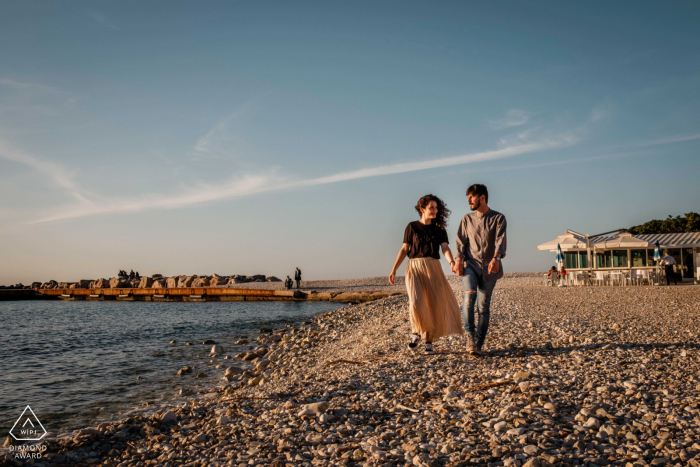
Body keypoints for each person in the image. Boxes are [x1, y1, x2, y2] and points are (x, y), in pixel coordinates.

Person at [389, 194, 463, 354]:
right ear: (422, 209)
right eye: (432, 207)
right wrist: (394, 269)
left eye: (436, 208)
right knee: (416, 302)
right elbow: (404, 249)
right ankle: (416, 332)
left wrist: (451, 262)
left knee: (432, 303)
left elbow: (445, 248)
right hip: (414, 266)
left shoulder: (439, 229)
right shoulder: (412, 227)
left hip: (433, 266)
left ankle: (428, 340)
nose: (435, 210)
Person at [454, 184, 507, 356]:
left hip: (491, 267)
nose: (468, 200)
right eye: (467, 197)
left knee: (483, 308)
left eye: (471, 196)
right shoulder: (466, 219)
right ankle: (470, 336)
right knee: (469, 296)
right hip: (470, 265)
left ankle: (479, 341)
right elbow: (460, 241)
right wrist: (458, 261)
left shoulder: (498, 218)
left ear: (482, 197)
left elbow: (500, 240)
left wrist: (496, 258)